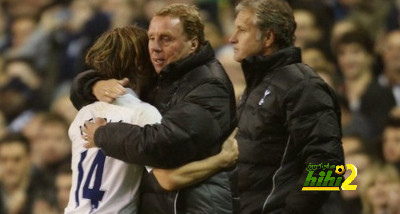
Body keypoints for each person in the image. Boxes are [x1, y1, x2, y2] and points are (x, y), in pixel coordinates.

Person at [70, 4, 237, 213]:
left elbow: (162, 144)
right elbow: (167, 179)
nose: (155, 48)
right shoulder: (142, 111)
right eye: (151, 39)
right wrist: (221, 161)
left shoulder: (84, 114)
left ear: (193, 44)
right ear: (141, 63)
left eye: (166, 39)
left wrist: (93, 88)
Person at [229, 0, 344, 213]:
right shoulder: (259, 83)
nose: (232, 38)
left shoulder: (303, 86)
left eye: (242, 30)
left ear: (268, 37)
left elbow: (328, 167)